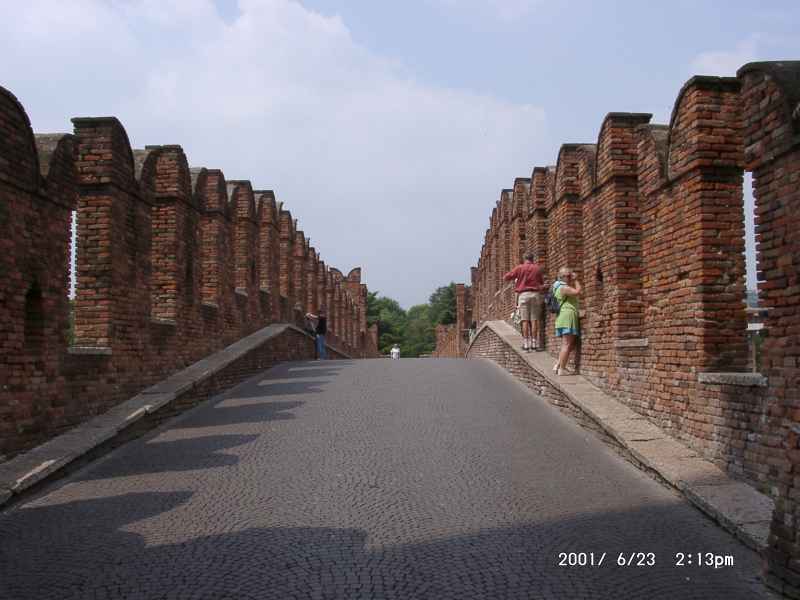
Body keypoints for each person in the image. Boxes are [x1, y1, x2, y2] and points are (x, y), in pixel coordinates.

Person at [503, 252, 546, 351]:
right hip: (535, 294)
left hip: (523, 295)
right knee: (534, 320)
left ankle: (526, 343)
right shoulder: (537, 268)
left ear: (524, 258)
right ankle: (534, 343)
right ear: (532, 258)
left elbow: (506, 277)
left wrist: (516, 279)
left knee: (525, 320)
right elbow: (541, 283)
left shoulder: (520, 268)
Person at [551, 267, 581, 375]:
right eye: (568, 276)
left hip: (562, 316)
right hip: (568, 315)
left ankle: (558, 365)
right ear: (562, 277)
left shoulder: (556, 286)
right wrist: (576, 280)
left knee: (568, 344)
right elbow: (577, 292)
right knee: (567, 344)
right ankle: (561, 369)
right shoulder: (563, 288)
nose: (570, 278)